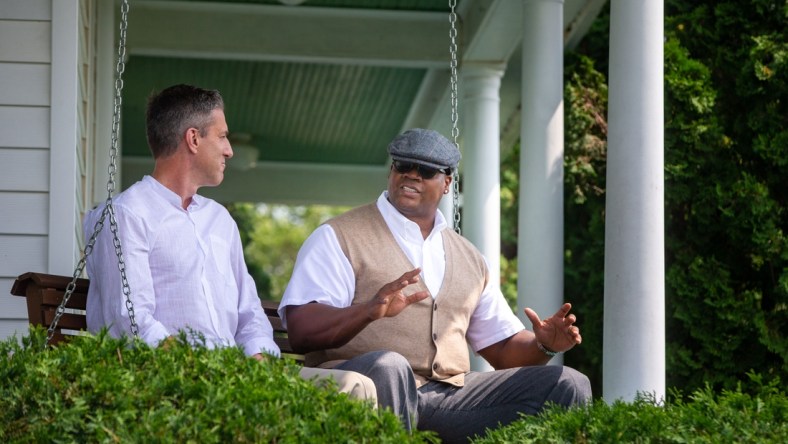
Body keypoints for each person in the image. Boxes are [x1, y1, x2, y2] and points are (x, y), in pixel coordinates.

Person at [279, 128, 592, 442]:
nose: (411, 175)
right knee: (390, 366)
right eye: (403, 165)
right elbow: (302, 330)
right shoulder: (338, 236)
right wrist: (367, 311)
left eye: (426, 170)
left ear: (447, 183)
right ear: (391, 171)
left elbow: (502, 351)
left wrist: (544, 344)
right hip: (369, 388)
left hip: (449, 397)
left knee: (568, 383)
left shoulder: (469, 257)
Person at [84, 83, 376, 402]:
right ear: (193, 139)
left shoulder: (219, 220)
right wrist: (201, 368)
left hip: (238, 377)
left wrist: (258, 361)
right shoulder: (127, 215)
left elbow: (249, 313)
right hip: (177, 380)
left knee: (356, 387)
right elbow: (130, 320)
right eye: (222, 136)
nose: (229, 150)